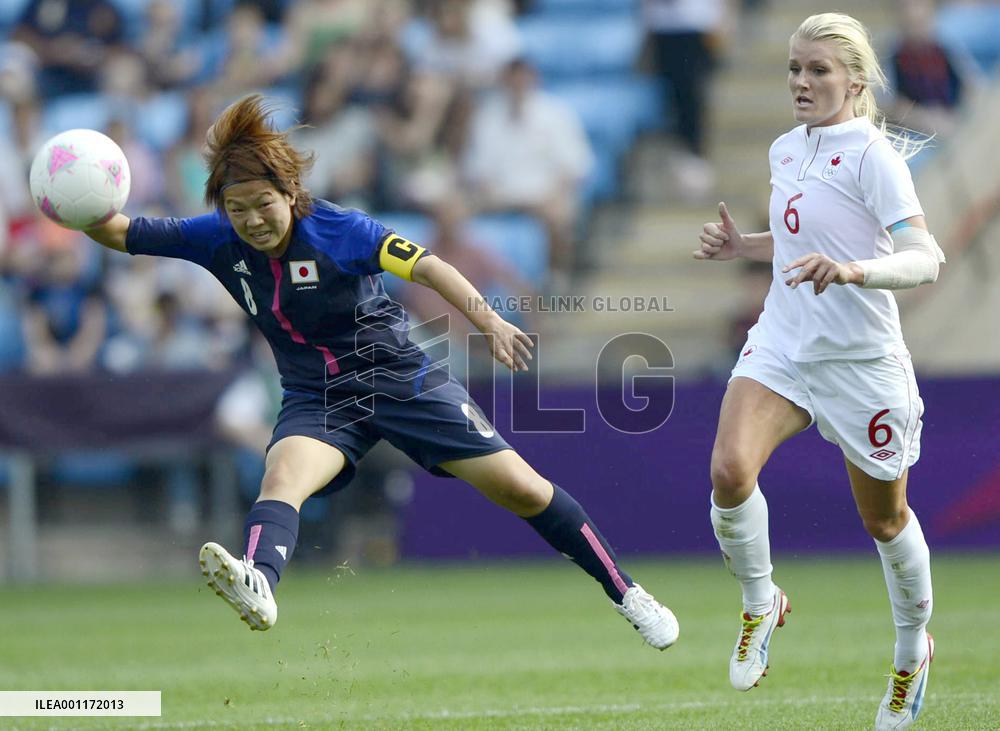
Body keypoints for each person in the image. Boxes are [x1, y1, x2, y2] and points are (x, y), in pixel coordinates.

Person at [74, 94, 678, 651]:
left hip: (401, 380)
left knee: (524, 490)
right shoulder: (216, 239)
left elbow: (429, 268)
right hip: (318, 397)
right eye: (237, 210)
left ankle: (627, 591)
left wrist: (489, 321)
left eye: (262, 205)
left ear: (290, 192)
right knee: (282, 474)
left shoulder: (341, 230)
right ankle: (258, 579)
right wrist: (73, 198)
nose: (252, 221)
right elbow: (120, 230)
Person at [693, 13, 944, 731]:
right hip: (784, 339)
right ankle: (760, 600)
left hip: (861, 361)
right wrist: (745, 245)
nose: (802, 82)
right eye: (795, 70)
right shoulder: (784, 148)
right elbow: (806, 234)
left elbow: (925, 257)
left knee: (885, 518)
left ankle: (909, 650)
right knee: (729, 471)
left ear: (855, 82)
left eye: (819, 71)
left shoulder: (874, 156)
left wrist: (856, 270)